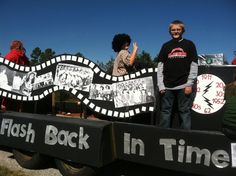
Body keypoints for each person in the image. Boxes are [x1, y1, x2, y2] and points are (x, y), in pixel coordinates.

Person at [157, 20, 198, 129]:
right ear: (170, 31)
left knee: (184, 112)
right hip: (167, 87)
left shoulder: (189, 44)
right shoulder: (165, 46)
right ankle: (163, 136)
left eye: (178, 29)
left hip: (184, 85)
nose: (176, 31)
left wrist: (189, 84)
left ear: (182, 30)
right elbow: (160, 66)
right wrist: (161, 85)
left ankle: (186, 138)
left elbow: (194, 65)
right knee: (165, 112)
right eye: (173, 30)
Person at [1, 40, 30, 111]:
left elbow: (3, 70)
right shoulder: (25, 58)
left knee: (5, 108)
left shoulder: (11, 55)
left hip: (8, 86)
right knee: (16, 108)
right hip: (20, 88)